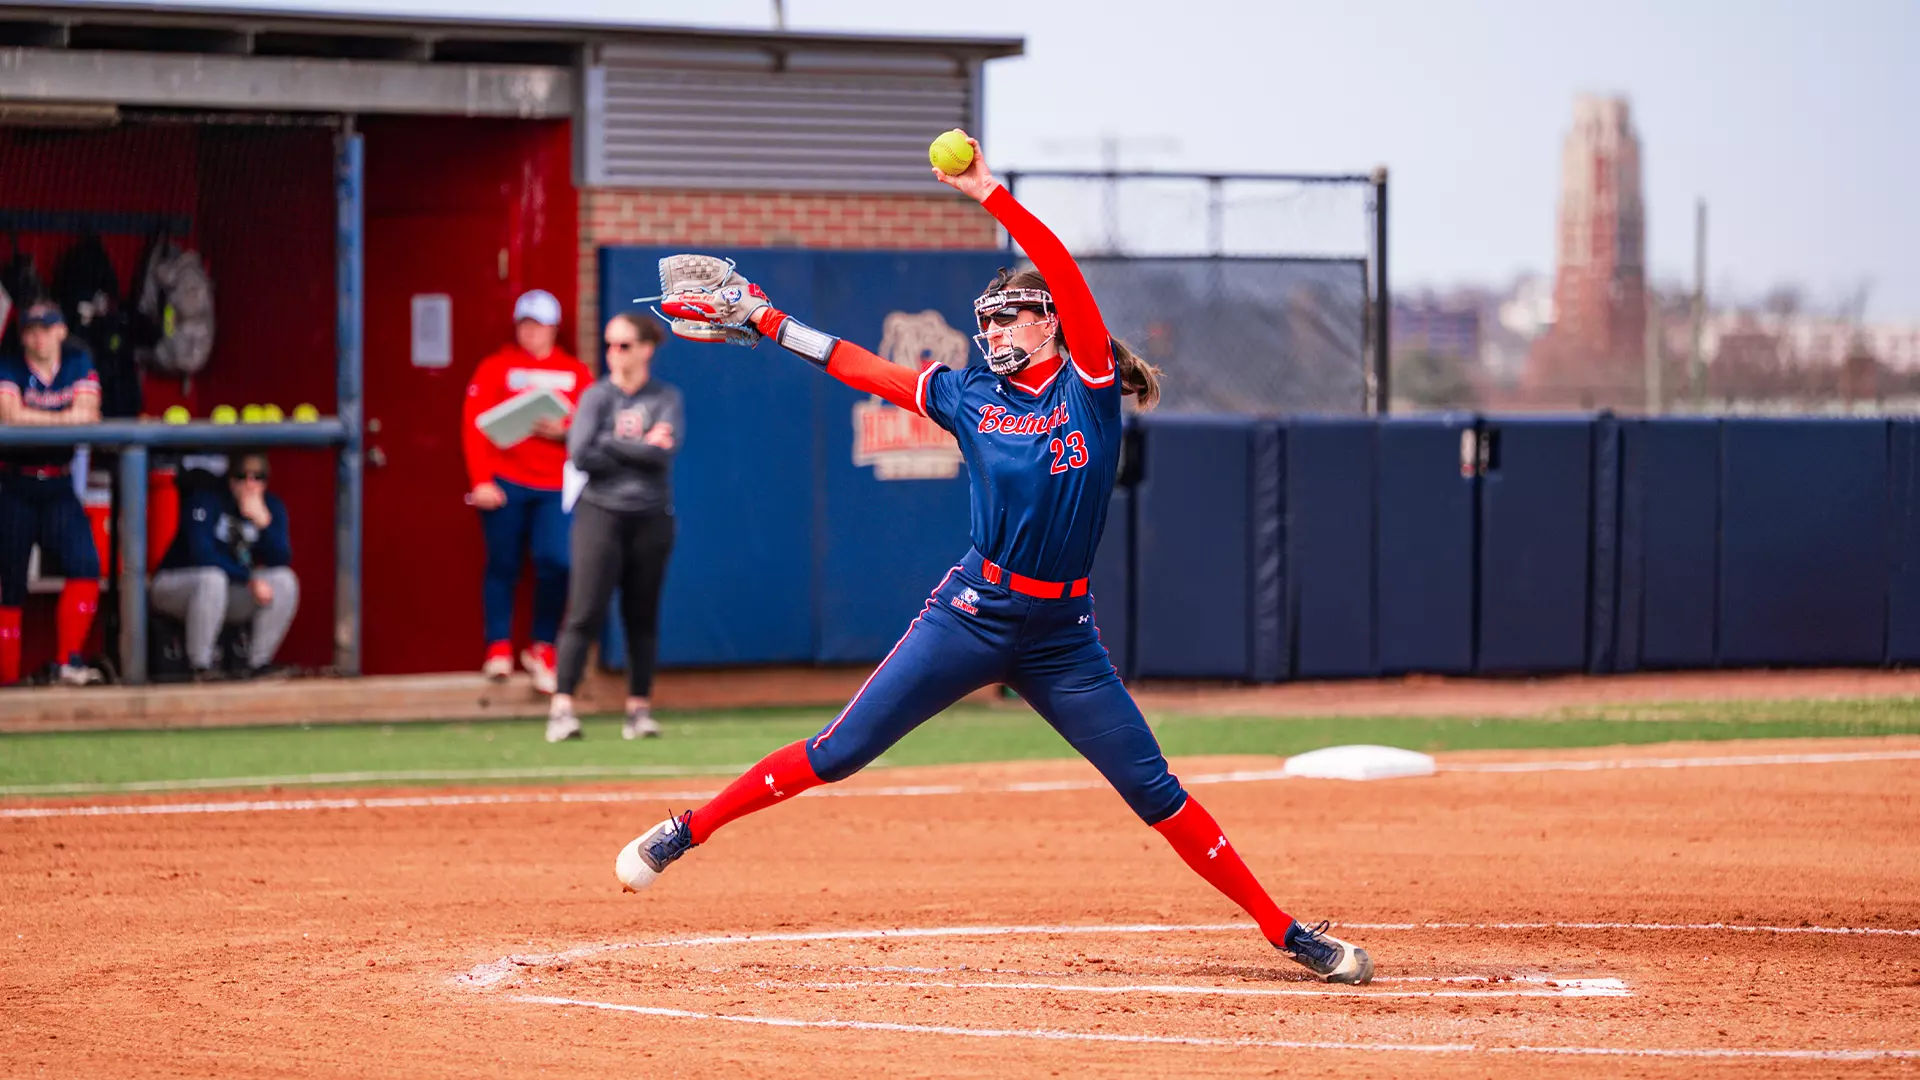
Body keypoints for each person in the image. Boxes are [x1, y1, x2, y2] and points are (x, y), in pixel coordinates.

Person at [611, 135, 1373, 984]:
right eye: (986, 319)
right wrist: (766, 319)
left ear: (1050, 320)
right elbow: (862, 367)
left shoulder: (1085, 382)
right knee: (838, 752)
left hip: (1061, 637)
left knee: (1154, 789)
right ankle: (687, 828)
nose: (992, 328)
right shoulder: (970, 395)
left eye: (1008, 314)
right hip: (972, 612)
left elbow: (1056, 262)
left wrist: (989, 194)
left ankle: (1287, 931)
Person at [544, 313, 681, 743]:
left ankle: (638, 710)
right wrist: (635, 448)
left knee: (641, 616)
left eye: (623, 345)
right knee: (584, 611)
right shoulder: (596, 396)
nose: (613, 354)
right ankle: (562, 708)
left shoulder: (665, 396)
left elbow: (662, 454)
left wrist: (611, 445)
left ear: (645, 349)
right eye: (609, 345)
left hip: (650, 516)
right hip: (599, 513)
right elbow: (581, 453)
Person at [462, 289, 592, 693]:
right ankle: (498, 646)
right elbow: (474, 426)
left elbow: (592, 431)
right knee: (503, 564)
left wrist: (566, 431)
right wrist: (481, 480)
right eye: (524, 324)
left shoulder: (576, 373)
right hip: (505, 483)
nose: (530, 332)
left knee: (558, 562)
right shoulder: (495, 367)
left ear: (554, 328)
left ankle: (543, 648)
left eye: (538, 324)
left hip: (556, 486)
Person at [0, 298, 103, 687]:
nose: (37, 337)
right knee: (9, 587)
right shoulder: (9, 362)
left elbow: (90, 412)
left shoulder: (77, 361)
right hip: (14, 484)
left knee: (86, 565)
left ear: (61, 330)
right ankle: (7, 681)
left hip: (58, 484)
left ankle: (67, 663)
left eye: (45, 329)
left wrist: (39, 419)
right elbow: (7, 414)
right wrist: (65, 419)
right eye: (30, 329)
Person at [151, 451, 299, 680]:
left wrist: (264, 523)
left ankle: (257, 664)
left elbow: (280, 558)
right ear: (231, 480)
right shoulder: (207, 500)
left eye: (257, 477)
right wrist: (249, 578)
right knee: (213, 578)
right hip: (175, 585)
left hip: (228, 591)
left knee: (284, 580)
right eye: (242, 476)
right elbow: (202, 554)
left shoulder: (271, 507)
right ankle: (200, 665)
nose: (250, 484)